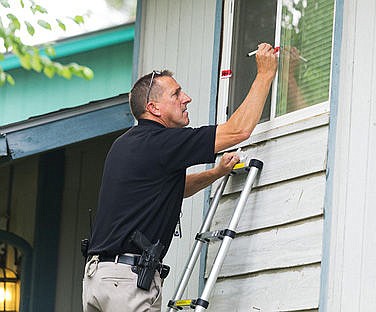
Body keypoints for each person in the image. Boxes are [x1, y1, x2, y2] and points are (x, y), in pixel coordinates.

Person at [82, 43, 278, 312]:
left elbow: (175, 188)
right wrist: (265, 74)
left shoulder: (126, 144)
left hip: (99, 279)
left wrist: (216, 173)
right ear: (154, 107)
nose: (186, 98)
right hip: (126, 282)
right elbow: (238, 130)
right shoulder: (161, 142)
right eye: (176, 94)